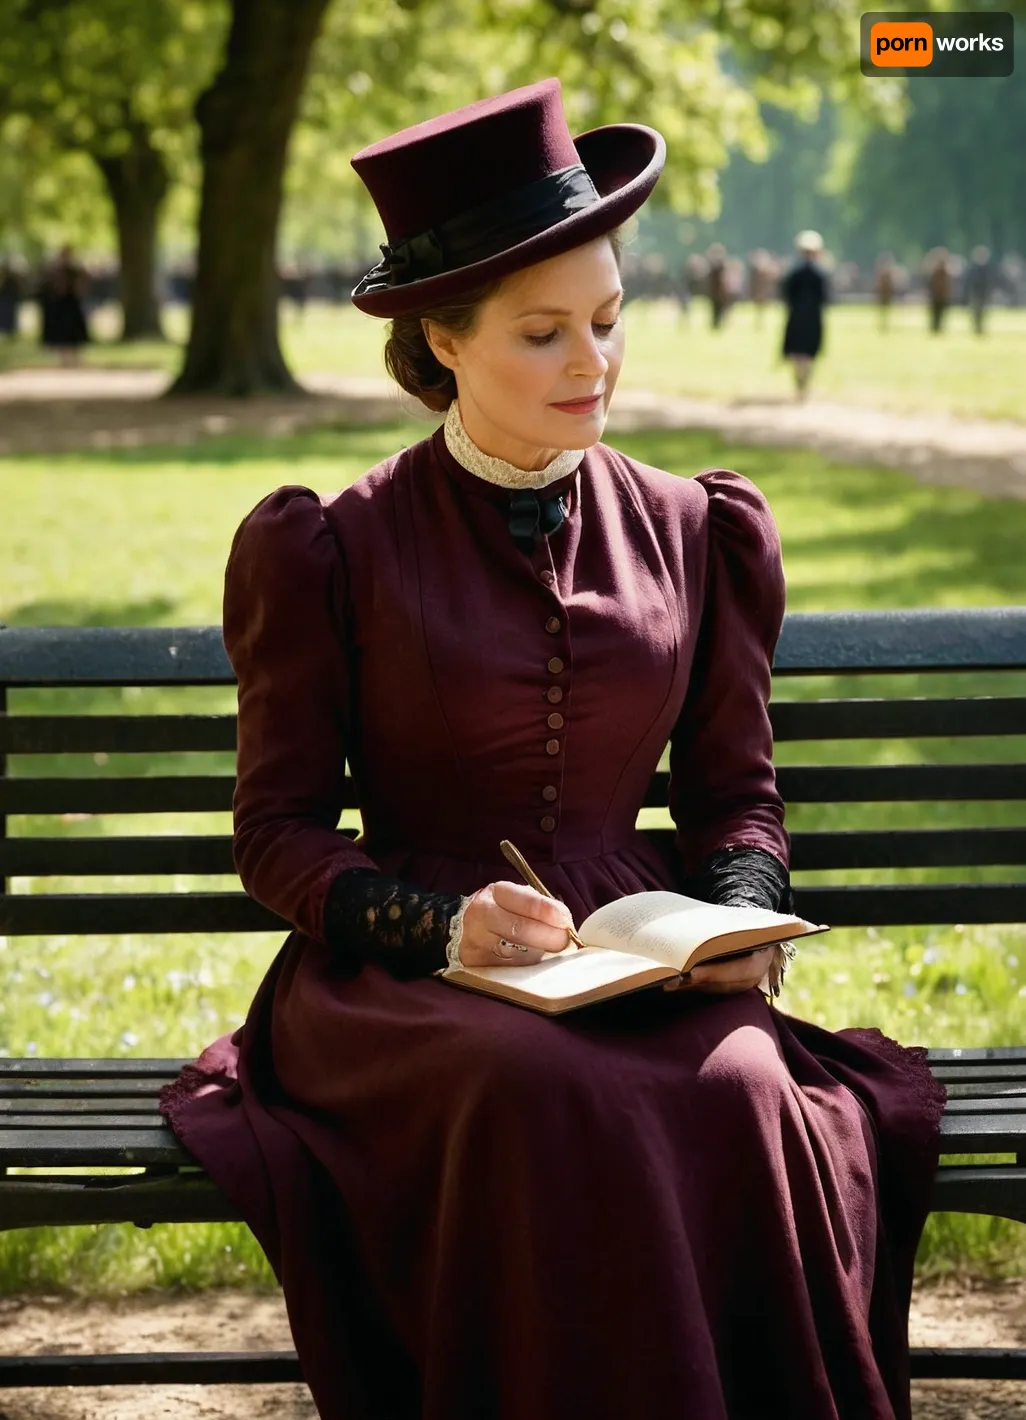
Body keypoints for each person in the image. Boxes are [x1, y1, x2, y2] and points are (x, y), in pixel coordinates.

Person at [159, 79, 945, 1420]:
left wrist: (736, 920)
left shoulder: (698, 530)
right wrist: (434, 924)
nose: (593, 363)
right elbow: (275, 837)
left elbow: (734, 795)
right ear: (442, 342)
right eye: (542, 333)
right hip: (402, 984)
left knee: (747, 1078)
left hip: (644, 957)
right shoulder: (329, 547)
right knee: (529, 1087)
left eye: (605, 320)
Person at [780, 229, 829, 401]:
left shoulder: (794, 273)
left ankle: (799, 383)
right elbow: (825, 298)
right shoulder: (820, 274)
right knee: (809, 353)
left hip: (796, 317)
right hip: (813, 318)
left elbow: (786, 295)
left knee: (797, 353)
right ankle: (805, 384)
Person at [38, 244, 90, 365]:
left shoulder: (75, 269)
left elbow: (83, 283)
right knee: (63, 331)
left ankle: (75, 357)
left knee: (74, 330)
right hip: (61, 304)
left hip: (72, 303)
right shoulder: (55, 269)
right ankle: (65, 357)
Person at [965, 244, 993, 335]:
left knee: (982, 313)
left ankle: (979, 328)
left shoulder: (984, 269)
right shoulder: (974, 269)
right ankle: (977, 328)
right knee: (976, 313)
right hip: (976, 294)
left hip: (982, 294)